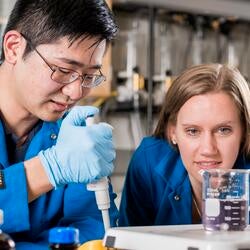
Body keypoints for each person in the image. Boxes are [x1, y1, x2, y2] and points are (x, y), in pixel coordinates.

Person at [0, 0, 118, 249]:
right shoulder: (67, 156)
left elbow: (93, 230)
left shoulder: (73, 136)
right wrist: (48, 169)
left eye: (89, 76)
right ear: (13, 48)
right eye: (63, 69)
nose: (76, 92)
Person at [119, 63, 250, 226]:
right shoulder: (149, 161)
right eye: (193, 131)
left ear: (244, 132)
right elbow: (129, 241)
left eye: (223, 130)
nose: (208, 149)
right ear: (172, 132)